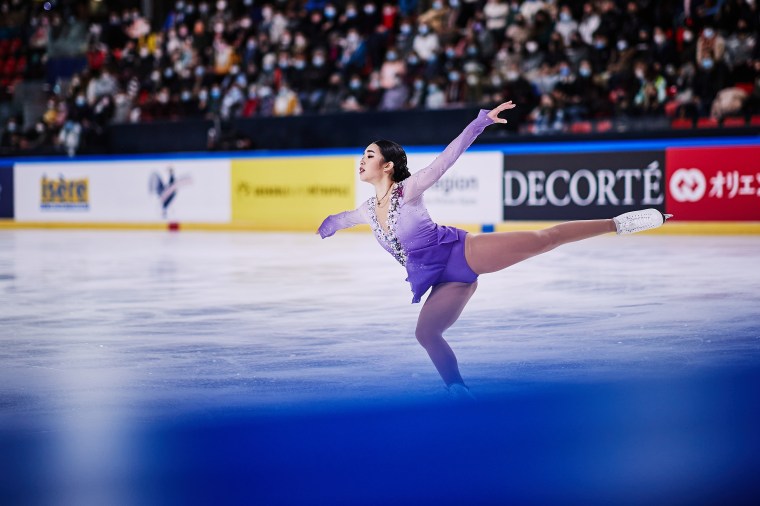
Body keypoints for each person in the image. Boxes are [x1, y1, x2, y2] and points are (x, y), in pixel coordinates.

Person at [317, 101, 672, 398]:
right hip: (443, 282)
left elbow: (446, 159)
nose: (361, 161)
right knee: (426, 333)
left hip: (463, 253)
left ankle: (622, 222)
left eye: (369, 155)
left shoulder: (407, 190)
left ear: (388, 165)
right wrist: (329, 224)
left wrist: (479, 123)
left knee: (545, 239)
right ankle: (458, 391)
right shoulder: (367, 209)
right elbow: (344, 218)